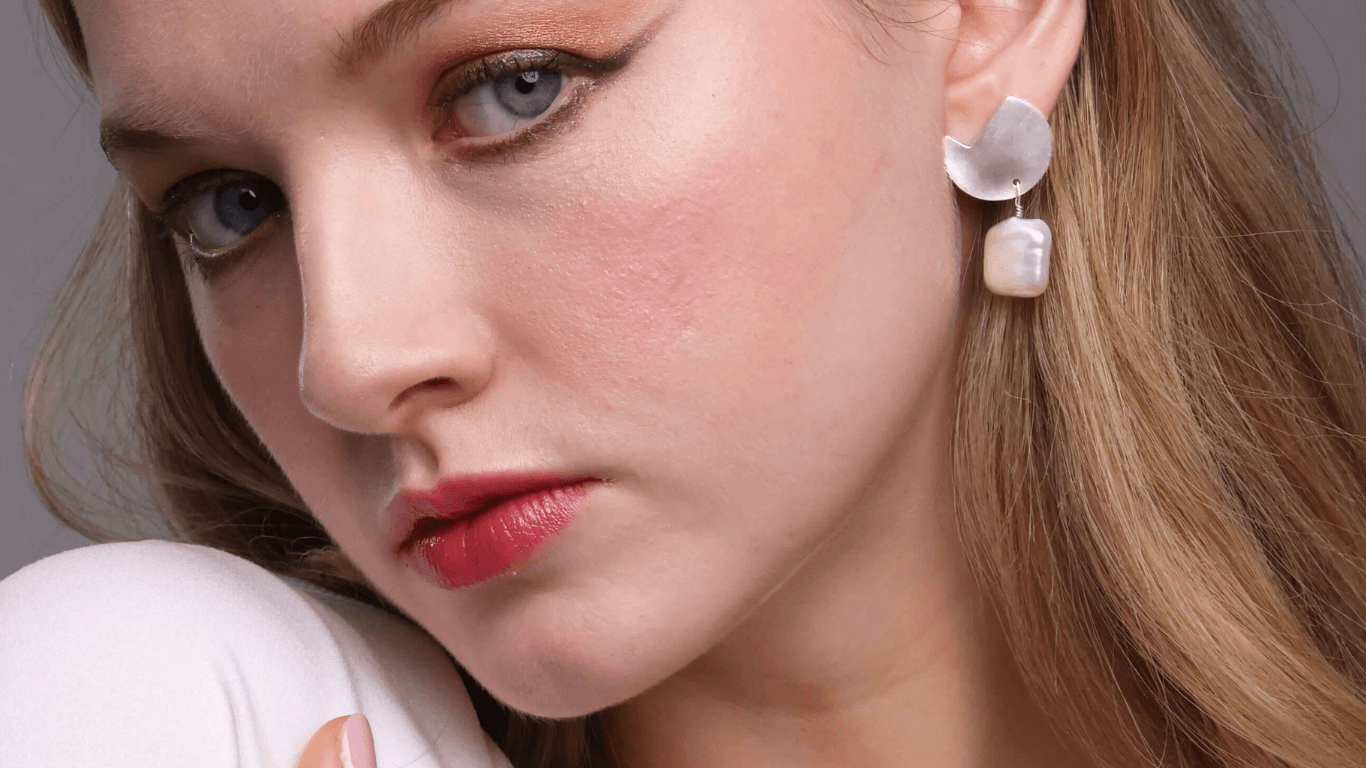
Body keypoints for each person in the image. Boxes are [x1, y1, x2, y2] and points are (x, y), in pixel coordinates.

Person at [6, 0, 1366, 765]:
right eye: (230, 204)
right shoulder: (155, 707)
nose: (350, 358)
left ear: (985, 21)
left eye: (514, 88)